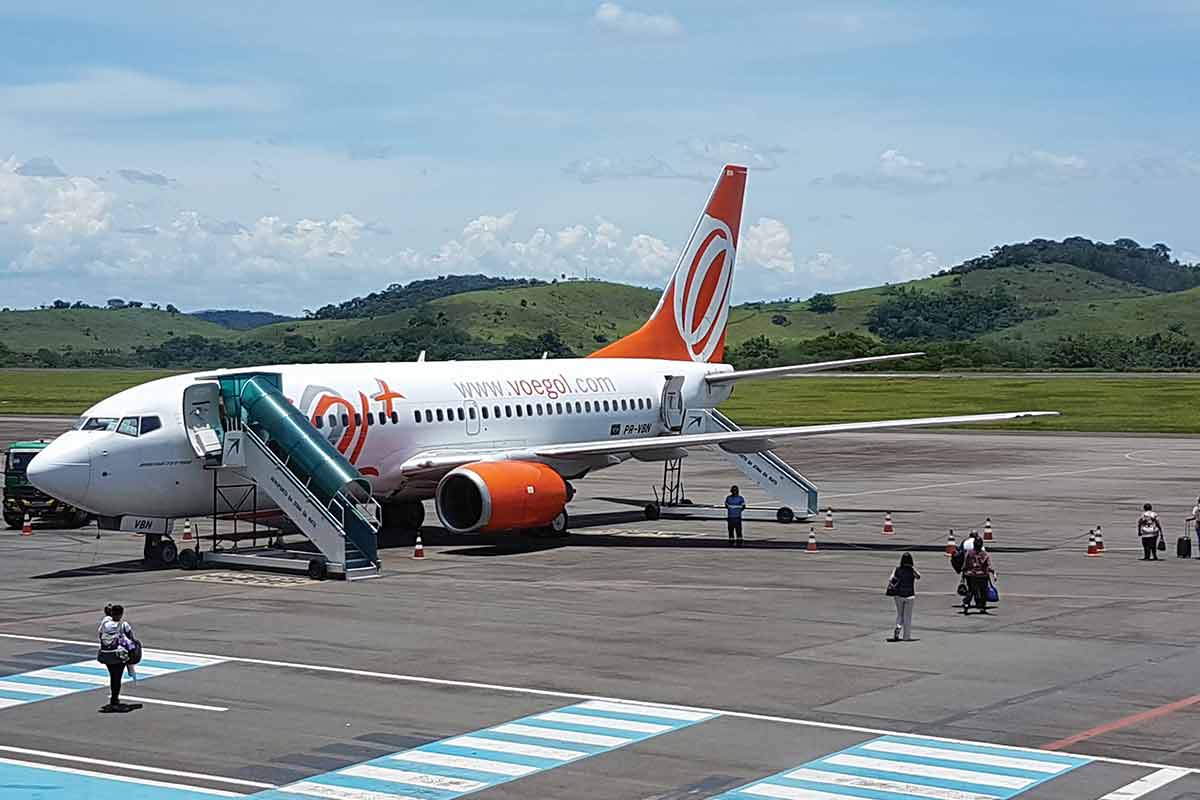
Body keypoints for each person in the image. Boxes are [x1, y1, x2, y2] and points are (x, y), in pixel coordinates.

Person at [97, 604, 141, 713]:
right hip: (118, 655)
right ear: (121, 614)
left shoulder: (105, 624)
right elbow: (131, 638)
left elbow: (100, 634)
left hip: (106, 654)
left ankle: (114, 699)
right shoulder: (123, 625)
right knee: (117, 678)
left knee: (113, 676)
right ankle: (114, 701)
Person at [887, 552, 920, 642]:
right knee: (907, 616)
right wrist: (912, 569)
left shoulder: (897, 569)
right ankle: (906, 636)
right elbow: (918, 576)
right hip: (910, 595)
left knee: (900, 614)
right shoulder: (911, 570)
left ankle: (898, 626)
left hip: (898, 595)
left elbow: (891, 579)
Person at [962, 534, 995, 614]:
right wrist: (993, 573)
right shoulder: (985, 554)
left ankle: (966, 603)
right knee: (983, 591)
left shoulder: (969, 553)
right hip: (983, 575)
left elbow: (965, 564)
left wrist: (964, 572)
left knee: (971, 590)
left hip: (972, 575)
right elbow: (988, 565)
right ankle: (982, 607)